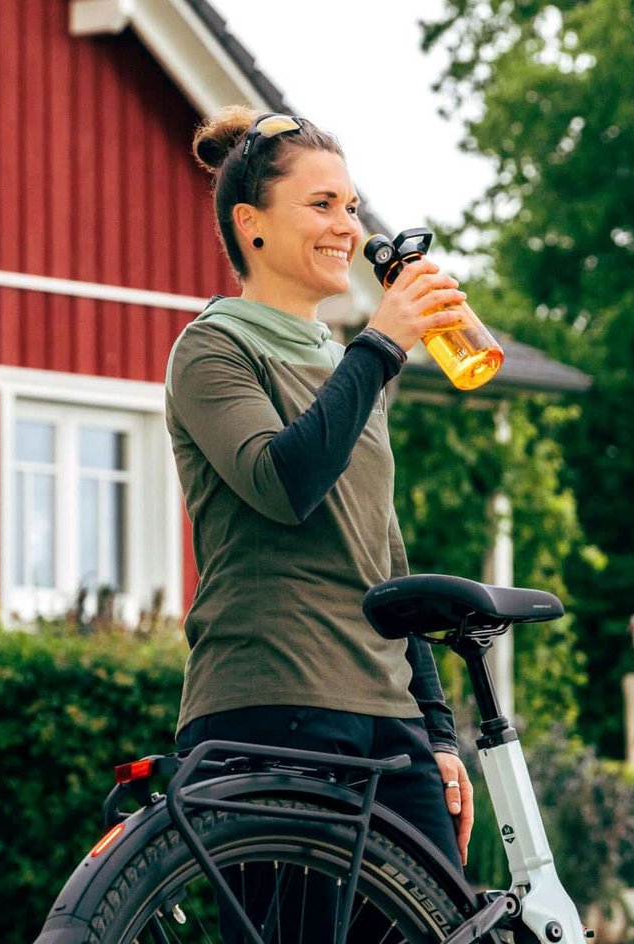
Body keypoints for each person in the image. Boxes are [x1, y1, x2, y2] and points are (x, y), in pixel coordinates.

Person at [167, 105, 475, 874]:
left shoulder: (349, 363)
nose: (351, 225)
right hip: (272, 702)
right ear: (252, 224)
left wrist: (436, 732)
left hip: (388, 718)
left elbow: (384, 555)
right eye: (322, 204)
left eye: (351, 203)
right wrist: (380, 346)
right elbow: (284, 481)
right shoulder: (212, 350)